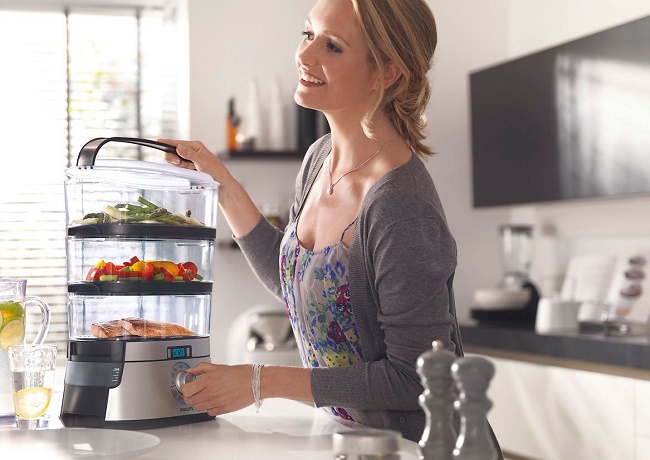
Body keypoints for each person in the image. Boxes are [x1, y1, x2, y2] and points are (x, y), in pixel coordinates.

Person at [162, 0, 495, 450]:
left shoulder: (401, 206)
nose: (305, 55)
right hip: (357, 443)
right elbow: (299, 285)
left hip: (424, 449)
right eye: (308, 34)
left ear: (386, 73)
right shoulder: (320, 160)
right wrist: (220, 184)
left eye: (333, 46)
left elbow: (415, 379)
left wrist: (261, 381)